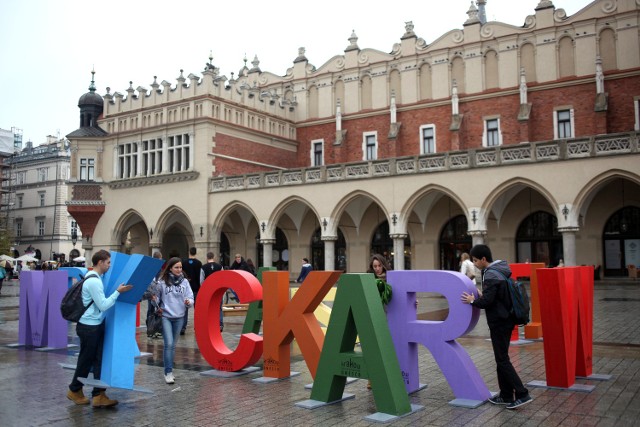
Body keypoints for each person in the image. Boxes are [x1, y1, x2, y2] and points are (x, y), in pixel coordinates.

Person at [460, 244, 533, 410]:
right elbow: (494, 295)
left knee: (502, 359)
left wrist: (472, 300)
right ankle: (506, 395)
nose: (474, 263)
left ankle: (522, 393)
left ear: (484, 259)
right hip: (506, 320)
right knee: (501, 358)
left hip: (500, 322)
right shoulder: (499, 270)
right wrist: (482, 294)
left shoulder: (491, 274)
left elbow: (487, 302)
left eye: (476, 260)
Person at [67, 250, 133, 407]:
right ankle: (75, 390)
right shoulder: (94, 282)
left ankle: (98, 394)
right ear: (100, 262)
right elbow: (103, 305)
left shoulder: (96, 278)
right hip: (90, 327)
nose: (110, 265)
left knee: (97, 361)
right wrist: (118, 292)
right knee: (86, 360)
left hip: (92, 325)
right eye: (108, 262)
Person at [152, 257, 194, 384]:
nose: (179, 270)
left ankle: (170, 370)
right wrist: (154, 301)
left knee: (173, 345)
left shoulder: (185, 282)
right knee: (169, 344)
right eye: (176, 267)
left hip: (180, 317)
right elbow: (156, 299)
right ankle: (168, 372)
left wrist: (188, 302)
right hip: (166, 316)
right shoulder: (162, 282)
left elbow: (191, 297)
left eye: (181, 267)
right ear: (170, 268)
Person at [142, 251, 164, 338]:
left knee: (150, 309)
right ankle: (157, 328)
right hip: (156, 291)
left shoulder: (150, 268)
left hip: (150, 291)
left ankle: (150, 327)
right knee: (157, 309)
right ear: (159, 258)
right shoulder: (159, 268)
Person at [200, 252, 224, 331]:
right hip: (218, 290)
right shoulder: (220, 266)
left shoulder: (203, 267)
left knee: (209, 308)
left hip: (208, 291)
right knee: (219, 308)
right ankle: (220, 324)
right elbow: (222, 279)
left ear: (207, 258)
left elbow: (201, 281)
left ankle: (210, 324)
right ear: (214, 257)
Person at [180, 247, 202, 335]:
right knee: (197, 309)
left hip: (186, 288)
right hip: (196, 288)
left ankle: (183, 327)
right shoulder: (199, 263)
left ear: (189, 252)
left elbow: (181, 274)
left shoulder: (184, 262)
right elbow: (200, 277)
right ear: (195, 253)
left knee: (185, 309)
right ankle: (197, 327)